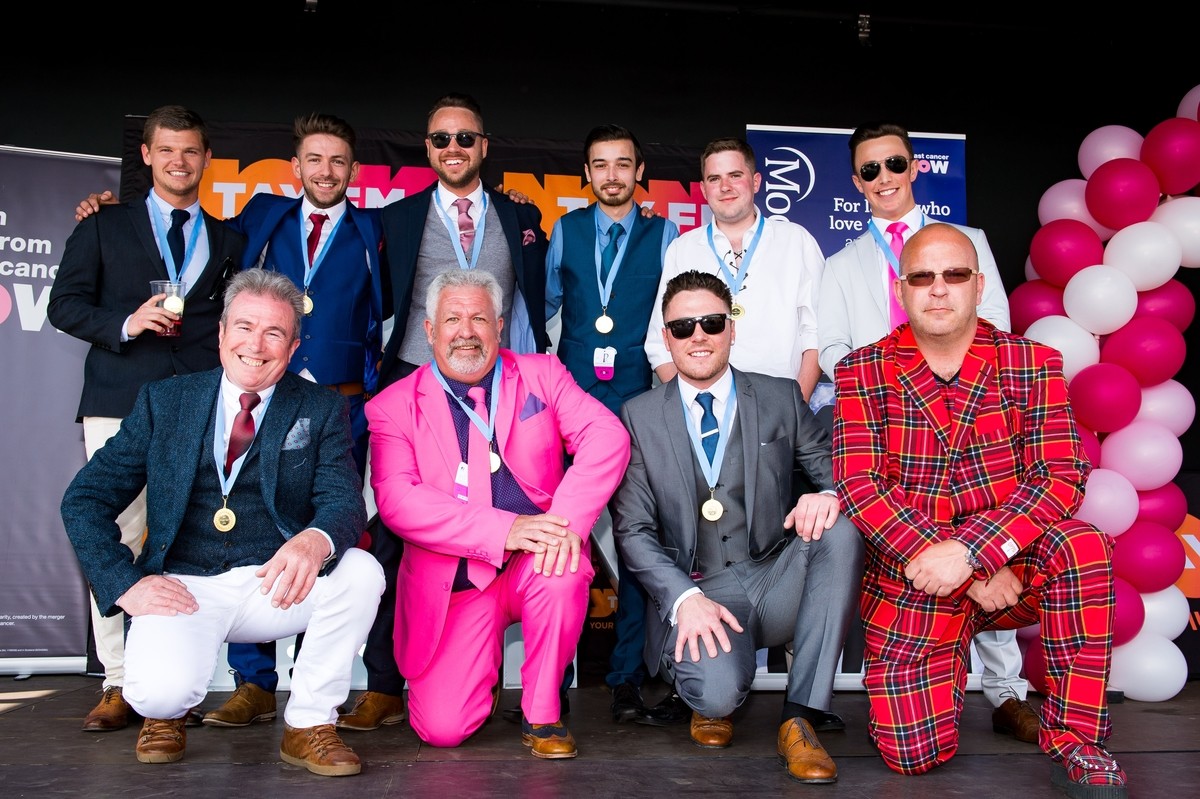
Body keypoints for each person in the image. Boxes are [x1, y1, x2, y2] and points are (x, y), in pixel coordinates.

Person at [832, 223, 1127, 798]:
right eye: (922, 276)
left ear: (978, 284)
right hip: (918, 577)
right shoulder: (861, 370)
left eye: (954, 274)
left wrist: (975, 554)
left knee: (1083, 545)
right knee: (911, 754)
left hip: (1015, 569)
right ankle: (917, 692)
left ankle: (1080, 744)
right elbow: (860, 485)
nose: (939, 288)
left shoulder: (1033, 363)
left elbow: (1060, 475)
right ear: (901, 289)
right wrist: (963, 572)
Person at [59, 268, 385, 776]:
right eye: (244, 327)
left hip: (273, 585)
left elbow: (343, 500)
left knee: (362, 571)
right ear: (220, 332)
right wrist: (125, 584)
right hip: (183, 586)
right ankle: (164, 714)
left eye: (274, 333)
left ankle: (308, 724)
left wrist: (315, 540)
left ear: (293, 346)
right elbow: (85, 498)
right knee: (158, 694)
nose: (256, 345)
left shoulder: (321, 407)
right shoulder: (165, 401)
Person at [817, 122, 1034, 745]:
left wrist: (950, 382)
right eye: (870, 170)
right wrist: (890, 387)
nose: (883, 177)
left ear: (915, 168)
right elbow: (831, 347)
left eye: (894, 164)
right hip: (891, 430)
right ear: (856, 182)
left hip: (974, 421)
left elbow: (997, 322)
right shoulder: (841, 264)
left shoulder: (969, 242)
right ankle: (916, 684)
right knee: (908, 550)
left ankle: (1007, 691)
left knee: (984, 538)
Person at [611, 270, 864, 783]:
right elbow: (632, 530)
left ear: (731, 328)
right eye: (683, 327)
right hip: (700, 589)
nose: (698, 336)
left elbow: (841, 476)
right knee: (717, 694)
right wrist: (683, 599)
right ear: (666, 338)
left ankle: (800, 718)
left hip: (775, 580)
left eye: (711, 323)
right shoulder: (638, 415)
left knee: (839, 528)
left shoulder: (780, 397)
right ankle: (714, 689)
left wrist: (827, 496)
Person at [366, 269, 629, 759]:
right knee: (442, 730)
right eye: (453, 319)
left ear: (500, 327)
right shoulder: (392, 406)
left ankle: (542, 712)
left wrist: (565, 523)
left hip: (536, 561)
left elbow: (606, 436)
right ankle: (475, 678)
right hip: (457, 582)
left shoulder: (543, 374)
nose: (466, 332)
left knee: (563, 568)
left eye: (480, 319)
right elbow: (398, 503)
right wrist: (507, 529)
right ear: (429, 331)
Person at [47, 104, 246, 734]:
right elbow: (63, 306)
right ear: (147, 156)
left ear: (206, 158)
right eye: (166, 150)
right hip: (119, 400)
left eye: (189, 151)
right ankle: (118, 680)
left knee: (185, 539)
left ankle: (172, 685)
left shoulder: (229, 239)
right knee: (117, 534)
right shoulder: (104, 224)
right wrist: (128, 323)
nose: (178, 162)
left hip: (196, 406)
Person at [543, 123, 680, 725]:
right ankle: (550, 680)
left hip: (635, 405)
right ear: (587, 173)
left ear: (639, 171)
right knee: (557, 536)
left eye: (623, 164)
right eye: (600, 165)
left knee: (633, 542)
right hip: (569, 406)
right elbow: (545, 308)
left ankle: (625, 679)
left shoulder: (665, 235)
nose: (612, 175)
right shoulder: (565, 231)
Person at [378, 91, 549, 390]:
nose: (453, 147)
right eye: (441, 139)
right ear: (429, 147)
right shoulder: (396, 218)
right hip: (416, 372)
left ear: (484, 146)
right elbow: (378, 300)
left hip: (499, 375)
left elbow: (547, 287)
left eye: (466, 138)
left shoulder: (520, 215)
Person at [643, 136, 824, 402]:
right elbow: (660, 344)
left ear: (756, 181)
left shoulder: (797, 241)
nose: (725, 187)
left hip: (781, 405)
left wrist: (796, 406)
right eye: (714, 179)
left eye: (735, 176)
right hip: (705, 410)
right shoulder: (682, 248)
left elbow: (817, 335)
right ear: (703, 189)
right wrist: (692, 407)